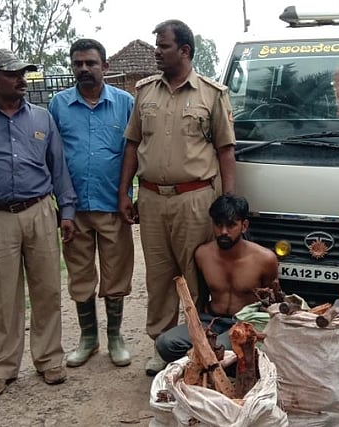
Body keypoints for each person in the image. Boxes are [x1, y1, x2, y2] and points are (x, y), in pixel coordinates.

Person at [0, 48, 78, 400]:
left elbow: (59, 167)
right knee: (4, 296)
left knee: (48, 289)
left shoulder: (41, 118)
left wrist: (66, 212)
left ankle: (49, 359)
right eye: (13, 74)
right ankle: (3, 367)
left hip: (40, 211)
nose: (22, 79)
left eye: (23, 73)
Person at [118, 19, 236, 376]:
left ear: (184, 51)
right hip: (152, 199)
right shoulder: (145, 92)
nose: (156, 51)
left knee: (194, 275)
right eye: (156, 45)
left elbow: (226, 150)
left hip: (196, 199)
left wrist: (229, 206)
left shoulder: (212, 94)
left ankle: (194, 346)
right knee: (158, 276)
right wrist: (125, 192)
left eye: (163, 46)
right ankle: (161, 346)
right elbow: (133, 144)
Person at [49, 38, 134, 368]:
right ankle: (89, 338)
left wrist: (128, 194)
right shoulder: (58, 105)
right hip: (74, 209)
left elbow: (133, 151)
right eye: (78, 64)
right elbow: (53, 157)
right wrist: (62, 207)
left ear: (105, 67)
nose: (84, 69)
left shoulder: (125, 103)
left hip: (113, 205)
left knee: (116, 274)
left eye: (90, 63)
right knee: (81, 276)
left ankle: (115, 336)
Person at [154, 195, 278, 363]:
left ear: (244, 226)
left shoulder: (265, 259)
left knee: (216, 350)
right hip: (212, 320)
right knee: (165, 344)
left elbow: (273, 302)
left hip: (245, 324)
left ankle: (213, 361)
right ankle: (207, 361)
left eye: (231, 225)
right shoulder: (202, 255)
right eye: (218, 225)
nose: (224, 232)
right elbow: (200, 294)